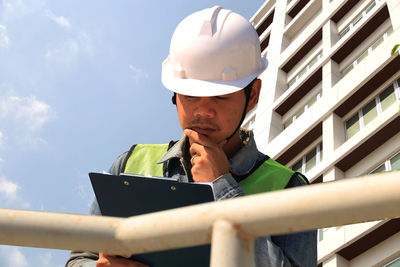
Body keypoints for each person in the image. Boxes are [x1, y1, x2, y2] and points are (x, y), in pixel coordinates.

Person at [66, 6, 317, 267]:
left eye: (220, 96)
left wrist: (223, 189)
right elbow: (81, 258)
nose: (203, 111)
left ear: (252, 95)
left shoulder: (288, 187)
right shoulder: (130, 162)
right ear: (174, 94)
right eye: (190, 95)